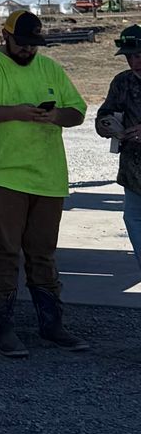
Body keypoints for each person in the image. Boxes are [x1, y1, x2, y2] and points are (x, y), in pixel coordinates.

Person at [0, 7, 86, 355]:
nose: (28, 50)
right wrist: (16, 112)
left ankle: (52, 325)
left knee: (43, 254)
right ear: (5, 36)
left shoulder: (50, 68)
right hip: (3, 174)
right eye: (22, 43)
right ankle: (4, 327)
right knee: (6, 252)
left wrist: (55, 115)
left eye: (33, 45)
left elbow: (78, 111)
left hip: (48, 176)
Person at [93, 22, 141, 282]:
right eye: (129, 56)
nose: (134, 62)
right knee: (134, 220)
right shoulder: (122, 82)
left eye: (139, 55)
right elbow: (106, 112)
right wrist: (105, 125)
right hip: (134, 173)